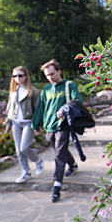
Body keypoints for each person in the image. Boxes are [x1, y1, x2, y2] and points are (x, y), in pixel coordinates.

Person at [32, 59, 83, 203]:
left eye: (52, 74)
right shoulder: (46, 89)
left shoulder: (69, 86)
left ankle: (57, 186)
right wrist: (36, 124)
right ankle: (72, 165)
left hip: (63, 125)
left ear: (59, 71)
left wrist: (64, 109)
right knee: (58, 149)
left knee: (59, 154)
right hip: (49, 126)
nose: (50, 77)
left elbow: (77, 101)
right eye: (47, 75)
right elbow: (41, 107)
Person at [5, 66, 43, 183]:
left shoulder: (34, 92)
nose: (18, 78)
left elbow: (38, 110)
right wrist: (8, 123)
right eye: (15, 76)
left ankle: (37, 161)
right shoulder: (13, 92)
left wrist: (38, 125)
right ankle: (25, 172)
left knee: (24, 147)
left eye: (20, 75)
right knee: (18, 151)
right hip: (16, 123)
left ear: (26, 76)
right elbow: (9, 108)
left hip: (28, 123)